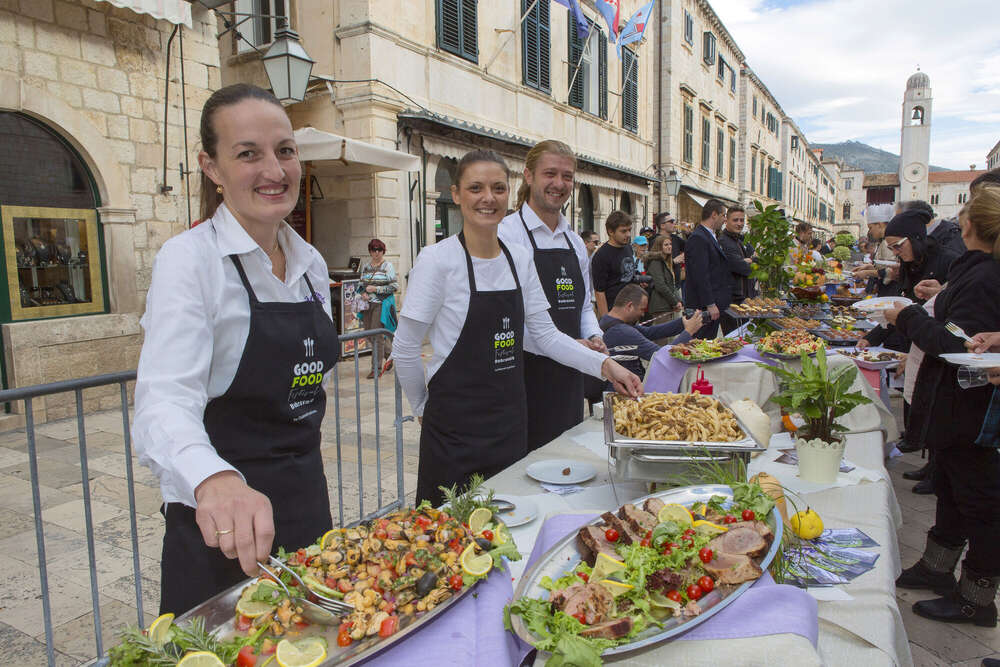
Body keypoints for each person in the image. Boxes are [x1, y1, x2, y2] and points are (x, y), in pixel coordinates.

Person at [132, 84, 339, 615]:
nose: (275, 170)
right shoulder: (189, 261)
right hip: (220, 525)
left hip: (305, 504)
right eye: (248, 153)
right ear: (213, 168)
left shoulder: (312, 264)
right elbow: (163, 400)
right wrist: (216, 479)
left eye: (285, 151)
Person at [392, 150, 641, 507]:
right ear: (457, 194)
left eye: (497, 188)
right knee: (451, 538)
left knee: (511, 526)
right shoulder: (437, 260)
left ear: (509, 192)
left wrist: (606, 366)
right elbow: (405, 346)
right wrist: (421, 407)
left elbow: (545, 335)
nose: (488, 198)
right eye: (475, 188)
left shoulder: (518, 258)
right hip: (454, 430)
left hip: (509, 422)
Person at [889, 183, 1000, 629]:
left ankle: (977, 599)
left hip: (970, 410)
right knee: (952, 490)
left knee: (979, 502)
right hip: (957, 407)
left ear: (969, 224)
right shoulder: (976, 269)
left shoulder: (986, 275)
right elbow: (963, 325)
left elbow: (955, 342)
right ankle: (936, 568)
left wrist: (907, 316)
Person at [498, 140, 606, 452]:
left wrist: (594, 334)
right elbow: (508, 319)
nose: (559, 184)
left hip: (570, 373)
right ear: (528, 176)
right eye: (550, 174)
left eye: (567, 176)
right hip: (523, 376)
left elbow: (584, 305)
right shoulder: (507, 234)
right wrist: (573, 346)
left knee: (565, 457)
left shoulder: (574, 241)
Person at [599, 284, 702, 380]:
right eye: (642, 309)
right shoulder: (622, 331)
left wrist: (684, 322)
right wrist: (689, 331)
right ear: (629, 306)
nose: (643, 314)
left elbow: (650, 332)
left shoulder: (608, 319)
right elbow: (663, 355)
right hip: (630, 389)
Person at [682, 199, 732, 339]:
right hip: (703, 307)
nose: (725, 220)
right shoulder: (699, 238)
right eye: (724, 216)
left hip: (711, 303)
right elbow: (700, 274)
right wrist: (710, 304)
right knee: (701, 345)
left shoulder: (709, 235)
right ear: (714, 214)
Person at [359, 238, 398, 379]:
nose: (376, 253)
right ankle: (389, 355)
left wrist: (376, 289)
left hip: (381, 304)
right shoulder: (366, 267)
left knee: (376, 335)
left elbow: (394, 287)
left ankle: (375, 368)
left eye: (379, 250)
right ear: (370, 251)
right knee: (368, 334)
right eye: (374, 250)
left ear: (383, 251)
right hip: (367, 305)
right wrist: (363, 293)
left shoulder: (388, 266)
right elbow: (361, 284)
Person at [718, 206, 756, 335]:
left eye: (741, 220)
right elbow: (743, 268)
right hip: (731, 301)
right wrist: (748, 261)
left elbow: (756, 259)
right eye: (735, 220)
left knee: (744, 338)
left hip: (743, 299)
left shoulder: (740, 239)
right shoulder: (724, 241)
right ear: (726, 221)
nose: (739, 223)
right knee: (733, 340)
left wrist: (750, 260)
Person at [591, 210, 637, 317]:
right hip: (613, 312)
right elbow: (599, 292)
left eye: (629, 230)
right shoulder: (601, 255)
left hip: (631, 308)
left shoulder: (628, 248)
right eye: (623, 231)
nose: (628, 234)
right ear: (611, 232)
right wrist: (606, 320)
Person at [645, 234, 682, 319]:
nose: (669, 247)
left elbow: (672, 284)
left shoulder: (666, 262)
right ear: (659, 247)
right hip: (660, 306)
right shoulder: (655, 262)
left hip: (668, 305)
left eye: (670, 244)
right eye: (666, 245)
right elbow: (660, 285)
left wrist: (679, 301)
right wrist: (675, 302)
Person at [653, 212, 686, 288]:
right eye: (671, 221)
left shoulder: (675, 238)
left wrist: (687, 233)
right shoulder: (655, 240)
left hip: (677, 284)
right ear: (662, 225)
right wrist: (674, 261)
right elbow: (656, 265)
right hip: (664, 286)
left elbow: (691, 247)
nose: (674, 223)